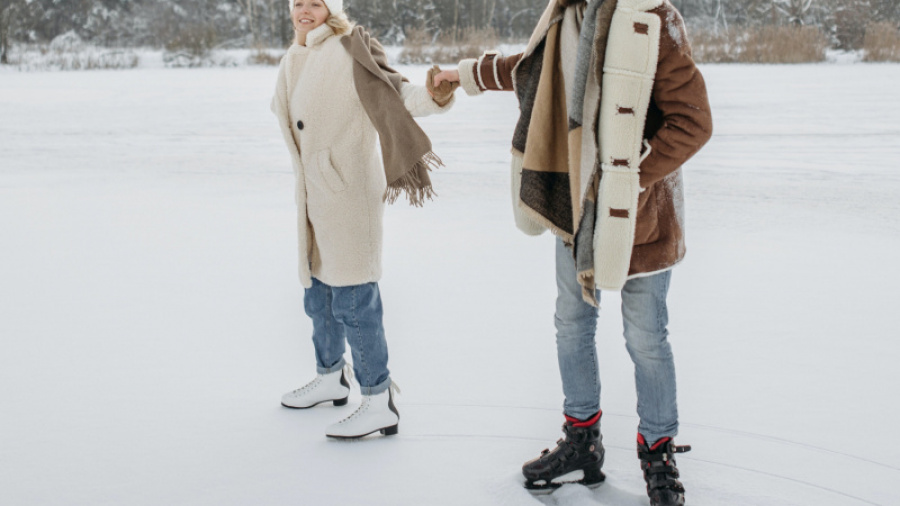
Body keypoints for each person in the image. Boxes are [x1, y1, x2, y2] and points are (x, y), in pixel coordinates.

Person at [433, 0, 712, 503]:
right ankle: (582, 441)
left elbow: (693, 122)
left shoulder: (654, 17)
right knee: (571, 325)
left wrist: (626, 181)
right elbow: (530, 67)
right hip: (574, 207)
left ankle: (658, 451)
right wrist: (465, 74)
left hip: (641, 222)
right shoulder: (564, 15)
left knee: (646, 337)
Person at [271, 0, 457, 439]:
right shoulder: (294, 56)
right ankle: (330, 376)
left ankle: (377, 400)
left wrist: (434, 93)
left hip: (348, 192)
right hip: (313, 195)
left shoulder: (350, 48)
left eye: (315, 3)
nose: (304, 10)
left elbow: (396, 93)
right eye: (298, 2)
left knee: (354, 300)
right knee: (318, 294)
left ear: (331, 9)